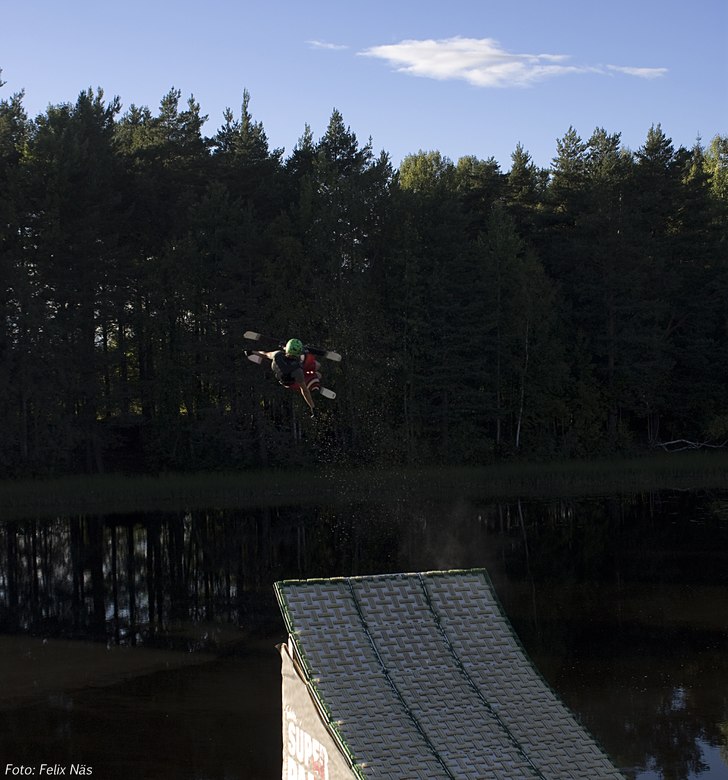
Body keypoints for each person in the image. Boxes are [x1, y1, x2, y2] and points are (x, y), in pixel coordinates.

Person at [259, 338, 320, 416]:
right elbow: (304, 391)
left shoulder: (278, 355)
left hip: (285, 373)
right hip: (292, 382)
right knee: (318, 374)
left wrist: (255, 352)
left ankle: (312, 379)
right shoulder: (297, 371)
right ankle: (313, 384)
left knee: (316, 366)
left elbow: (266, 354)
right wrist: (312, 407)